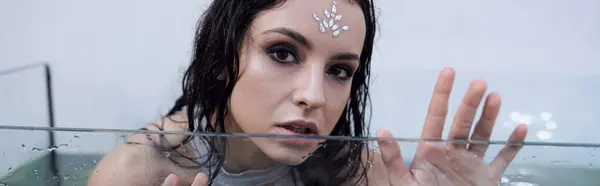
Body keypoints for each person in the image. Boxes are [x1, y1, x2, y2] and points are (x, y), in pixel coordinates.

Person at [87, 0, 528, 185]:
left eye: (339, 70)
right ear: (221, 60)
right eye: (282, 53)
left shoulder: (358, 173)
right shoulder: (138, 170)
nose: (314, 95)